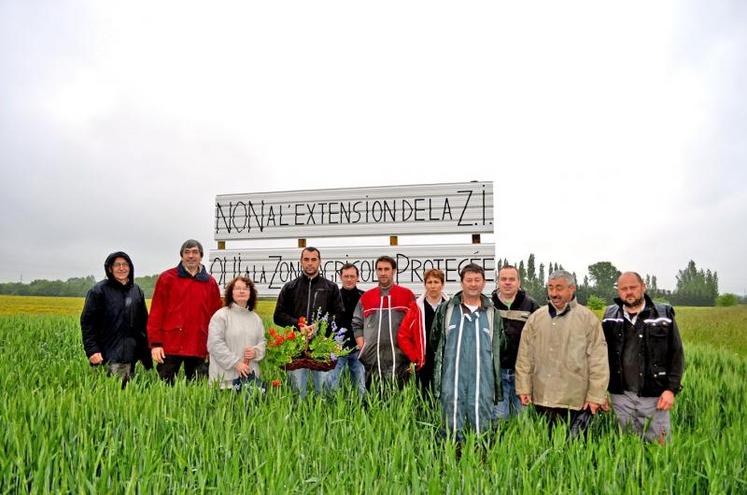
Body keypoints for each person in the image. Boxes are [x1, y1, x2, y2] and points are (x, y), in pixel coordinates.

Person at [515, 270, 609, 434]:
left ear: (572, 289)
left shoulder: (588, 319)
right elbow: (525, 356)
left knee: (574, 452)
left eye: (559, 288)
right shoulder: (536, 318)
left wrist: (595, 396)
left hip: (575, 401)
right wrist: (523, 387)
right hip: (542, 398)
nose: (554, 293)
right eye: (550, 288)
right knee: (546, 447)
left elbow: (598, 361)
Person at [602, 271, 685, 443]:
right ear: (619, 291)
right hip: (621, 396)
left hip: (654, 395)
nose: (628, 292)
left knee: (659, 449)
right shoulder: (610, 316)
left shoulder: (663, 314)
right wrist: (599, 391)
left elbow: (676, 354)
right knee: (627, 446)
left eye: (633, 287)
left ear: (643, 287)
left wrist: (671, 389)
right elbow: (601, 355)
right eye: (624, 288)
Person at [431, 264, 503, 440]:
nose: (473, 284)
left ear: (484, 282)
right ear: (461, 283)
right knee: (451, 421)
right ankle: (451, 458)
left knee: (483, 421)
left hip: (483, 379)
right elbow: (435, 342)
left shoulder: (492, 313)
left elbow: (500, 345)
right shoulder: (446, 310)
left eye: (477, 280)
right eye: (469, 280)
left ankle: (482, 459)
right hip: (451, 379)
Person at [147, 239, 223, 384]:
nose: (191, 256)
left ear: (201, 256)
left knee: (197, 390)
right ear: (181, 256)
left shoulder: (210, 283)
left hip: (199, 344)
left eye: (195, 252)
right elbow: (157, 313)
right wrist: (156, 344)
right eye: (186, 252)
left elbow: (216, 317)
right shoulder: (167, 278)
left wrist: (214, 347)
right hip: (170, 345)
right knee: (165, 389)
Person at [273, 247, 344, 397]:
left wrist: (318, 327)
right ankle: (298, 419)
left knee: (324, 393)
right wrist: (299, 326)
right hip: (296, 348)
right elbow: (278, 316)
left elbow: (339, 315)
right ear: (300, 262)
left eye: (313, 259)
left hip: (322, 348)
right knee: (298, 393)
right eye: (306, 259)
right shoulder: (290, 287)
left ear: (319, 262)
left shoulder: (331, 288)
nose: (310, 263)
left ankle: (323, 419)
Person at [80, 251, 152, 384]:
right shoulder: (98, 291)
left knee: (126, 397)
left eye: (125, 265)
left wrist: (145, 353)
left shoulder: (136, 291)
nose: (121, 268)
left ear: (130, 268)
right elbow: (87, 323)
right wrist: (92, 350)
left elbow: (143, 324)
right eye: (117, 265)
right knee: (108, 396)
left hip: (130, 354)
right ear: (110, 268)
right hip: (106, 355)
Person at [353, 255, 415, 389]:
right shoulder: (367, 297)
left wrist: (411, 354)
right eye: (379, 269)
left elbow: (414, 325)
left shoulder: (406, 295)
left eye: (386, 269)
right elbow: (357, 323)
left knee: (399, 400)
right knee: (374, 399)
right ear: (375, 271)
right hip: (372, 359)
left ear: (394, 271)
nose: (383, 273)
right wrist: (363, 348)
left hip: (400, 359)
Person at [491, 265, 540, 419]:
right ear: (498, 282)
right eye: (503, 279)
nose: (507, 283)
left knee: (521, 419)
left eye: (512, 279)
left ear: (519, 282)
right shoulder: (488, 306)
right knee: (499, 418)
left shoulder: (531, 306)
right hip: (496, 372)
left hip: (523, 373)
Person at [207, 276, 266, 390]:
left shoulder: (255, 318)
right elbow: (215, 345)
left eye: (246, 288)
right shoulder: (221, 316)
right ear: (231, 292)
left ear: (251, 293)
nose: (242, 291)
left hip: (249, 382)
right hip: (224, 382)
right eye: (237, 288)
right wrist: (236, 363)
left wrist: (256, 352)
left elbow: (262, 342)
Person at [397, 268, 447, 394]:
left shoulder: (450, 307)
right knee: (424, 398)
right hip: (424, 362)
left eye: (436, 282)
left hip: (446, 363)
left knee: (445, 398)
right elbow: (403, 335)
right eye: (429, 282)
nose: (433, 286)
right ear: (425, 285)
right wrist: (415, 357)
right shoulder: (416, 307)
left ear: (442, 284)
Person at [327, 263, 366, 396]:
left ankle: (360, 410)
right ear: (340, 277)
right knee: (332, 386)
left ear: (357, 278)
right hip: (337, 349)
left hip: (358, 349)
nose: (349, 279)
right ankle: (334, 410)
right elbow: (326, 321)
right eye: (346, 276)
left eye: (352, 276)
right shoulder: (333, 297)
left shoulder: (364, 297)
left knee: (360, 387)